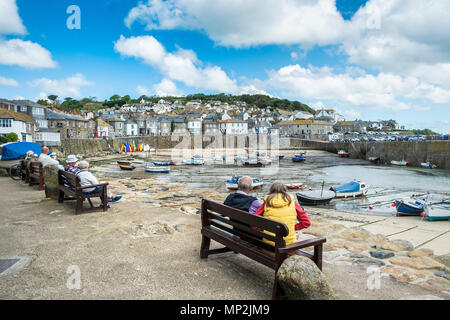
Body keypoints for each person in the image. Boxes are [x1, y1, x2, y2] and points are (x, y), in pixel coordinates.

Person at [254, 181, 311, 246]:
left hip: (269, 242)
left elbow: (254, 221)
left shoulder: (267, 203)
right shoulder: (293, 203)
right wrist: (292, 228)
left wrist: (263, 229)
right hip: (288, 243)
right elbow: (306, 223)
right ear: (285, 190)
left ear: (271, 191)